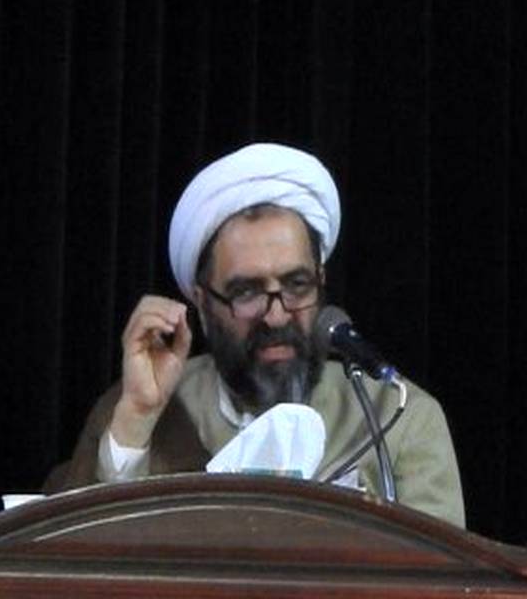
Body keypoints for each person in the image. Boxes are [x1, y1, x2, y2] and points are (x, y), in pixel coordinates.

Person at [46, 142, 465, 527]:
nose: (277, 316)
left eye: (296, 285)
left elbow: (444, 574)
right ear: (202, 303)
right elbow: (69, 555)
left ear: (321, 281)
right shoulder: (148, 405)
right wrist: (137, 419)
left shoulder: (398, 418)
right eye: (246, 292)